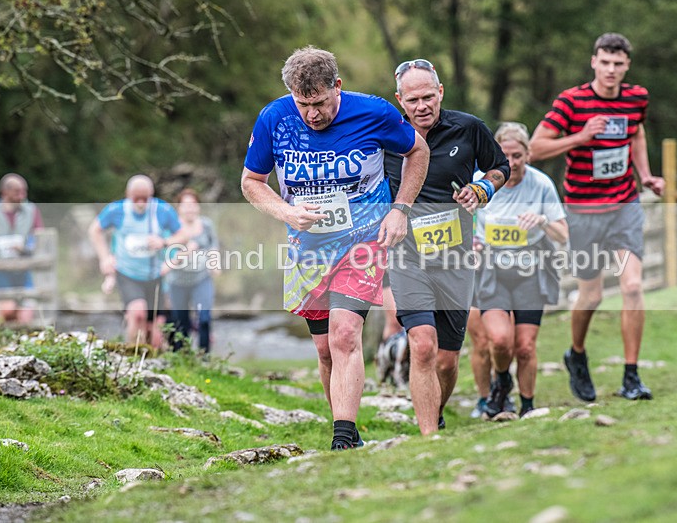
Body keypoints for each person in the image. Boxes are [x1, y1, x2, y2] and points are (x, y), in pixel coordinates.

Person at [241, 46, 429, 450]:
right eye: (303, 103)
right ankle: (351, 431)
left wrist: (400, 209)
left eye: (321, 103)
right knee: (326, 350)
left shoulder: (373, 112)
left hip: (363, 239)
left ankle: (341, 437)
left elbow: (418, 151)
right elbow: (252, 181)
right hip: (307, 248)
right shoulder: (274, 118)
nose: (312, 114)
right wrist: (287, 212)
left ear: (337, 87)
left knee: (345, 333)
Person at [529, 33, 665, 401]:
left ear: (627, 67)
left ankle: (631, 376)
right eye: (605, 62)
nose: (611, 70)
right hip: (584, 210)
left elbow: (636, 134)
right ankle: (576, 354)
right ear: (594, 62)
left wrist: (646, 174)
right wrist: (580, 136)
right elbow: (535, 148)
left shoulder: (637, 97)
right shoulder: (572, 102)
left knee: (632, 286)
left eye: (618, 64)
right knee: (590, 295)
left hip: (624, 205)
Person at [384, 58, 510, 434]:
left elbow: (500, 167)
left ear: (440, 93)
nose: (422, 106)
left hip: (454, 258)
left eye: (428, 97)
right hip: (407, 257)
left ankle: (435, 412)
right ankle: (429, 439)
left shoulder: (469, 128)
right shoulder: (386, 137)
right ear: (399, 101)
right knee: (422, 346)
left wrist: (481, 188)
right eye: (412, 100)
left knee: (446, 360)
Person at [476, 122, 568, 418]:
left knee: (526, 346)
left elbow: (563, 235)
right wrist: (472, 244)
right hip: (492, 272)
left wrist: (542, 220)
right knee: (501, 341)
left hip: (531, 270)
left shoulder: (541, 184)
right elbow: (462, 222)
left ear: (528, 154)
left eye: (518, 156)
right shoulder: (482, 182)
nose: (512, 163)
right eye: (506, 156)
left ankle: (528, 406)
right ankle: (502, 381)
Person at [88, 175, 187, 348]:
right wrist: (104, 258)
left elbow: (183, 235)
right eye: (136, 199)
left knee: (155, 331)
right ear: (128, 195)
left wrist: (164, 242)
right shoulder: (116, 210)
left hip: (155, 275)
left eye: (145, 199)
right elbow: (95, 230)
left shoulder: (162, 210)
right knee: (138, 313)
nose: (141, 203)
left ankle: (153, 364)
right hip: (127, 273)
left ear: (151, 195)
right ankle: (133, 359)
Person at [166, 189, 220, 354]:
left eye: (193, 204)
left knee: (204, 318)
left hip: (202, 278)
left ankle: (204, 359)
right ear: (178, 208)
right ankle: (182, 359)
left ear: (198, 207)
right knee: (181, 324)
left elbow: (213, 245)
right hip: (177, 281)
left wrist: (215, 263)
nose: (189, 208)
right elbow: (167, 256)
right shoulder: (172, 228)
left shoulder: (206, 224)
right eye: (185, 205)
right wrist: (186, 252)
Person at [0, 173, 44, 325]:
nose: (22, 196)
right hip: (0, 271)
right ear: (5, 192)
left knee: (26, 316)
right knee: (7, 310)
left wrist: (26, 247)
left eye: (24, 191)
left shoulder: (31, 210)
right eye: (17, 192)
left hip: (24, 269)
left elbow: (40, 236)